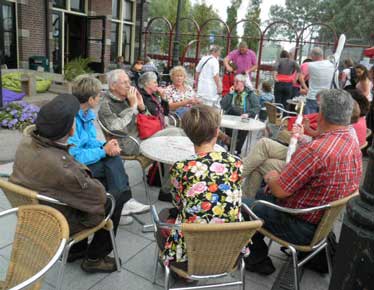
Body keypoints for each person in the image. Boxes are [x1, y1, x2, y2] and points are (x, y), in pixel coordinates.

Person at [242, 89, 362, 275]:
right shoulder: (351, 142)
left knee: (240, 204)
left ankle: (257, 260)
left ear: (322, 114)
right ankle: (253, 245)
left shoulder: (316, 150)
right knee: (259, 194)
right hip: (321, 222)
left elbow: (280, 190)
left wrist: (272, 178)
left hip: (299, 225)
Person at [10, 94, 121, 273]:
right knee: (115, 198)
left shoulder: (26, 142)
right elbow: (99, 197)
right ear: (71, 131)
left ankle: (75, 251)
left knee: (88, 191)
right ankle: (94, 258)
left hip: (33, 209)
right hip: (57, 219)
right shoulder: (64, 168)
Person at [160, 104, 245, 266]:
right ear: (216, 131)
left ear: (189, 134)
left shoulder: (181, 167)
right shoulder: (236, 163)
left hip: (190, 250)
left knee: (164, 215)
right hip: (230, 247)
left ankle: (179, 269)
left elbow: (178, 203)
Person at [68, 75, 150, 227]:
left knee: (112, 160)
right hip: (72, 167)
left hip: (82, 159)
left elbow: (90, 141)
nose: (100, 97)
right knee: (112, 162)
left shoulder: (85, 114)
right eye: (99, 95)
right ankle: (122, 203)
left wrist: (105, 146)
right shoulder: (71, 119)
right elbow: (74, 155)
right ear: (91, 100)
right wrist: (103, 151)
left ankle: (120, 205)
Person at [221, 74, 260, 154]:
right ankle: (232, 148)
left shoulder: (250, 94)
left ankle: (235, 150)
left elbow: (257, 107)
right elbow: (223, 105)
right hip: (231, 116)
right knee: (227, 124)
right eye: (234, 81)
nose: (234, 84)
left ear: (242, 83)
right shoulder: (232, 93)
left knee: (243, 127)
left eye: (236, 82)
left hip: (244, 116)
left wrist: (248, 114)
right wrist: (230, 94)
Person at [304, 47, 335, 114]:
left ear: (313, 55)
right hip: (325, 97)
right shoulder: (331, 65)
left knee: (310, 120)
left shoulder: (310, 65)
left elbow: (304, 76)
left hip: (312, 96)